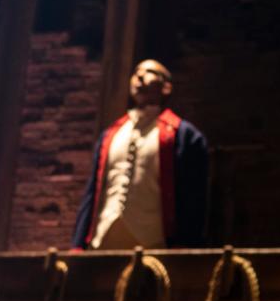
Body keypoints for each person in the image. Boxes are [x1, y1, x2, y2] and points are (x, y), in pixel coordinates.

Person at [72, 60, 209, 250]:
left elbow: (193, 199)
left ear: (166, 87)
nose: (140, 76)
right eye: (137, 72)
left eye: (150, 72)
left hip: (153, 246)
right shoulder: (111, 134)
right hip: (102, 244)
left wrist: (185, 244)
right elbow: (92, 192)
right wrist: (78, 244)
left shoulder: (184, 136)